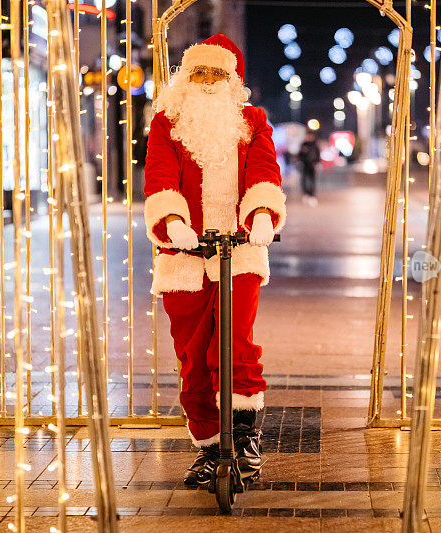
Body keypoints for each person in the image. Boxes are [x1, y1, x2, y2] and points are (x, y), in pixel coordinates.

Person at [143, 34, 286, 486]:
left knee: (233, 342)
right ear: (185, 78)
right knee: (192, 355)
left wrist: (262, 212)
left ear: (232, 80)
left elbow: (264, 169)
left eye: (217, 73)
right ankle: (207, 444)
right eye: (199, 72)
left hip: (239, 249)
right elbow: (159, 173)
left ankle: (243, 436)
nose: (208, 81)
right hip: (183, 254)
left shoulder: (252, 121)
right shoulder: (167, 122)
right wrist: (171, 221)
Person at [298, 131, 320, 206]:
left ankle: (312, 195)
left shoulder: (315, 145)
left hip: (312, 166)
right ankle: (306, 194)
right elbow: (299, 155)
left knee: (312, 181)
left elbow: (317, 155)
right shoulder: (303, 145)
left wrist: (316, 163)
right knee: (303, 180)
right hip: (304, 165)